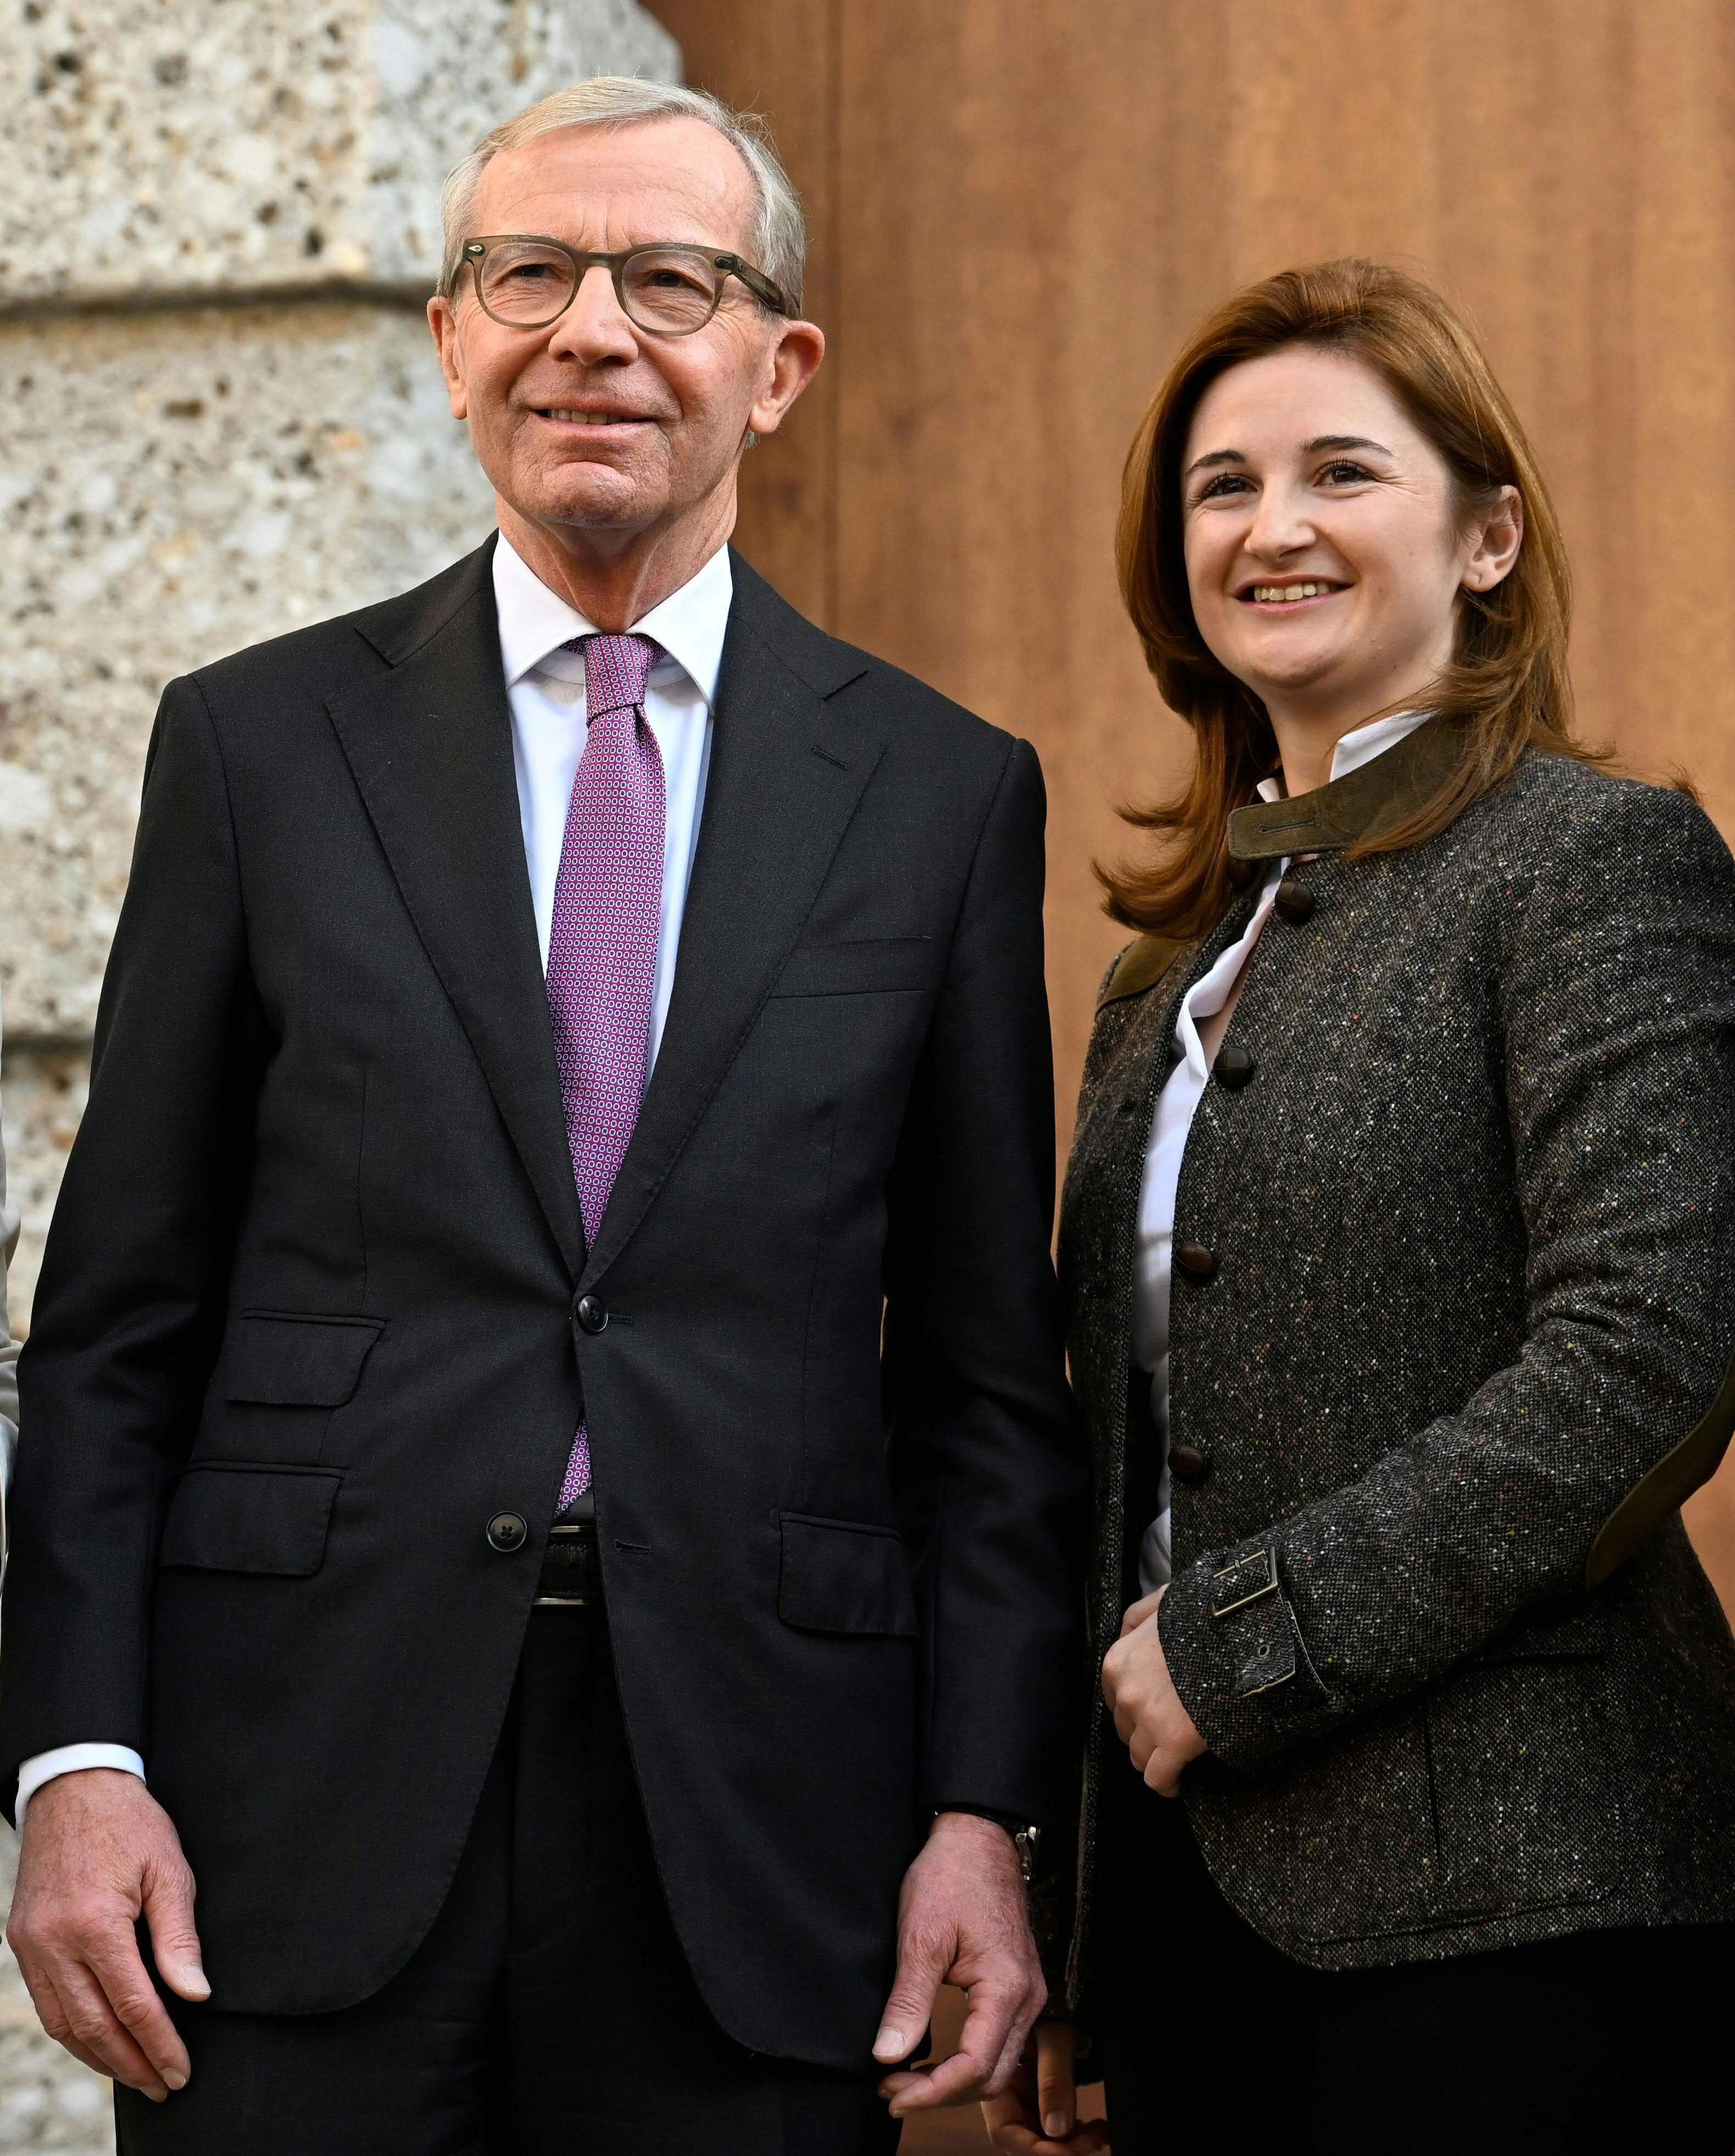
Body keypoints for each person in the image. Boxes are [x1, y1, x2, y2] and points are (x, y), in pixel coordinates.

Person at [0, 79, 1086, 2153]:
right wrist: (74, 1759)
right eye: (528, 273)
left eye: (667, 279)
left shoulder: (944, 796)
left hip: (761, 1836)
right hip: (288, 1814)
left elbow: (979, 1385)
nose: (590, 330)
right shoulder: (251, 745)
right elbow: (118, 1319)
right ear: (448, 337)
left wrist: (984, 1813)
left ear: (778, 370)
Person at [987, 257, 1735, 2154]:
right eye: (1220, 488)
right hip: (1192, 1920)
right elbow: (1123, 1458)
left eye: (1339, 472)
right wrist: (1080, 1923)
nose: (1271, 527)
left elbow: (1654, 1346)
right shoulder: (1154, 977)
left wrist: (1245, 1643)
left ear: (1486, 535)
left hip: (1530, 1905)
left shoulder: (1590, 861)